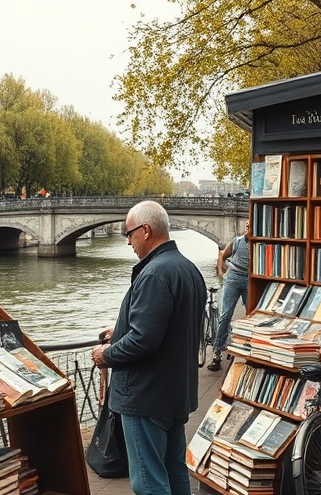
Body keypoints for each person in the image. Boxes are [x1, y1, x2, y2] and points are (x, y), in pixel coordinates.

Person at [91, 200, 206, 495]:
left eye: (128, 234)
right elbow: (171, 326)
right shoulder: (188, 270)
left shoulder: (155, 273)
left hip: (145, 395)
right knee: (175, 470)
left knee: (148, 481)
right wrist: (119, 331)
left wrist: (107, 354)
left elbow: (144, 340)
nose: (128, 241)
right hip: (173, 391)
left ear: (145, 230)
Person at [208, 220, 250, 372]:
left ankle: (243, 348)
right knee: (225, 316)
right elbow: (223, 255)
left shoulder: (260, 243)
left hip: (249, 279)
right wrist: (221, 272)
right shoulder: (237, 242)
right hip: (233, 278)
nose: (248, 229)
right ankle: (216, 354)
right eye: (247, 227)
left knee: (250, 316)